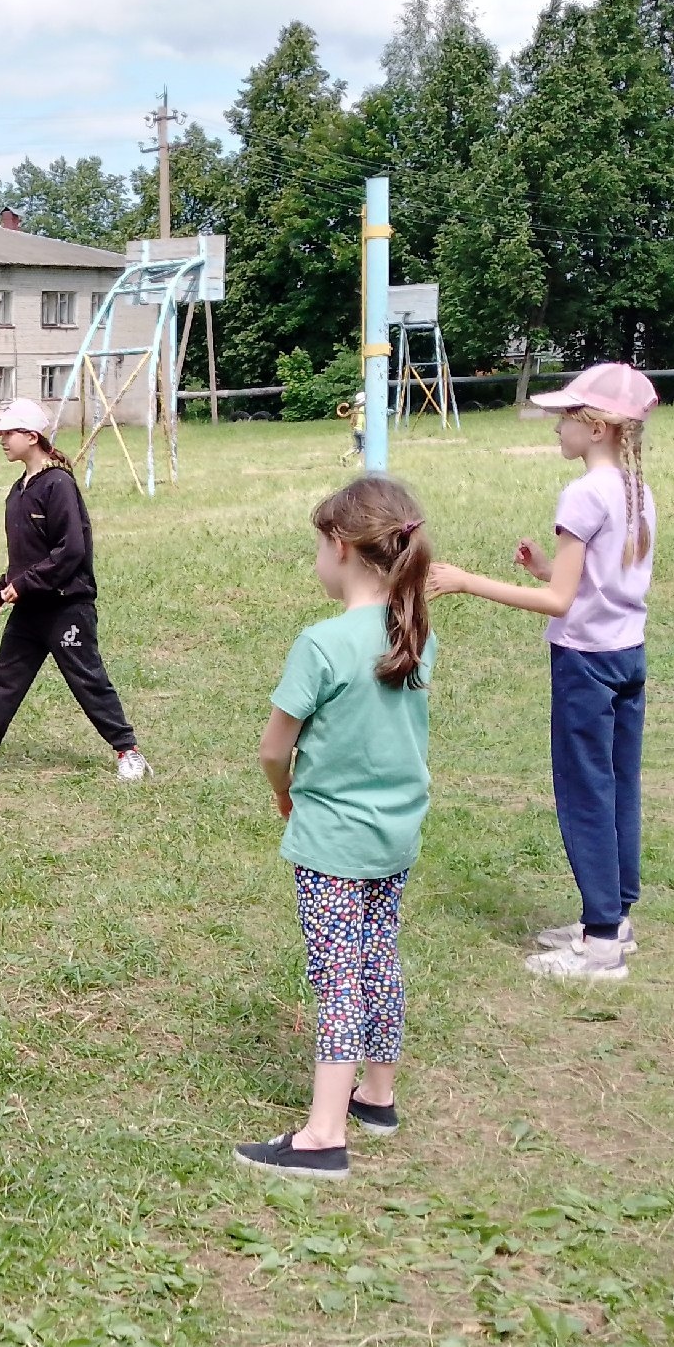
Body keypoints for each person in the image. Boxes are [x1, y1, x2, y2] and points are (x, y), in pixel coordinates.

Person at [428, 362, 658, 983]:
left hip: (585, 663)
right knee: (619, 788)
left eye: (566, 417)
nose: (557, 428)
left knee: (586, 795)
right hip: (627, 656)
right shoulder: (635, 489)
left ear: (599, 428)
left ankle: (602, 945)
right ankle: (611, 920)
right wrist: (540, 567)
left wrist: (468, 582)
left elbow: (562, 604)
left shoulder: (582, 495)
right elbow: (590, 584)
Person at [237, 477, 437, 1181]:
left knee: (337, 977)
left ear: (342, 548)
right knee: (378, 955)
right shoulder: (414, 629)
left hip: (334, 842)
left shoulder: (320, 644)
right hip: (396, 836)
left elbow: (272, 748)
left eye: (317, 546)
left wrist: (284, 796)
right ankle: (376, 1094)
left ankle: (323, 1135)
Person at [0, 398, 148, 783]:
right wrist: (0, 589)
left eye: (9, 433)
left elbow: (70, 551)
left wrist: (21, 586)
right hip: (30, 610)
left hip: (66, 607)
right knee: (5, 678)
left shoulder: (58, 485)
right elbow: (27, 558)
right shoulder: (18, 491)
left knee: (86, 678)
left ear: (31, 436)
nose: (3, 440)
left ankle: (129, 752)